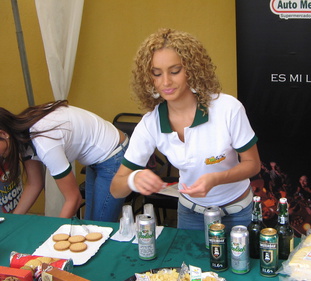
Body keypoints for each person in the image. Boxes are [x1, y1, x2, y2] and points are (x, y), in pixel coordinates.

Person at [110, 28, 261, 232]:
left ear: (192, 69)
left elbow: (253, 165)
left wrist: (216, 179)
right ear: (149, 78)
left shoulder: (227, 108)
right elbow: (116, 189)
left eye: (174, 71)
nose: (166, 82)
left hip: (237, 213)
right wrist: (133, 179)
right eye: (157, 73)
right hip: (191, 214)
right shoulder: (150, 123)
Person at [0, 100, 128, 221]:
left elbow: (74, 199)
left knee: (100, 224)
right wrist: (13, 220)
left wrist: (55, 236)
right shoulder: (22, 136)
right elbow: (34, 184)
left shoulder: (44, 143)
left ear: (3, 134)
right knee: (90, 222)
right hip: (96, 156)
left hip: (113, 153)